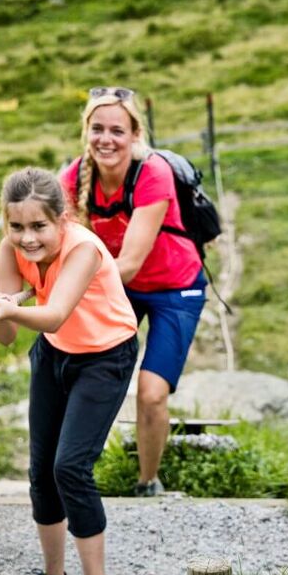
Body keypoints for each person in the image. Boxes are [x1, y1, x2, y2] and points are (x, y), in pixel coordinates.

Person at [0, 167, 139, 575]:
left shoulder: (83, 249)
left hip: (105, 357)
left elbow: (54, 315)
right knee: (41, 471)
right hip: (54, 353)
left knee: (70, 467)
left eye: (39, 226)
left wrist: (11, 309)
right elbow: (6, 337)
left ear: (61, 219)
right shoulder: (9, 249)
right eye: (17, 227)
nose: (27, 238)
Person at [59, 86, 207, 497]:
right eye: (97, 129)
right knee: (88, 373)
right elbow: (57, 246)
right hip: (119, 287)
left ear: (135, 135)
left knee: (152, 393)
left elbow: (129, 264)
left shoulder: (152, 173)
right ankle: (73, 471)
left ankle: (147, 482)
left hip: (175, 287)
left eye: (117, 131)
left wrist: (69, 289)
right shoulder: (72, 177)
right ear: (86, 132)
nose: (106, 139)